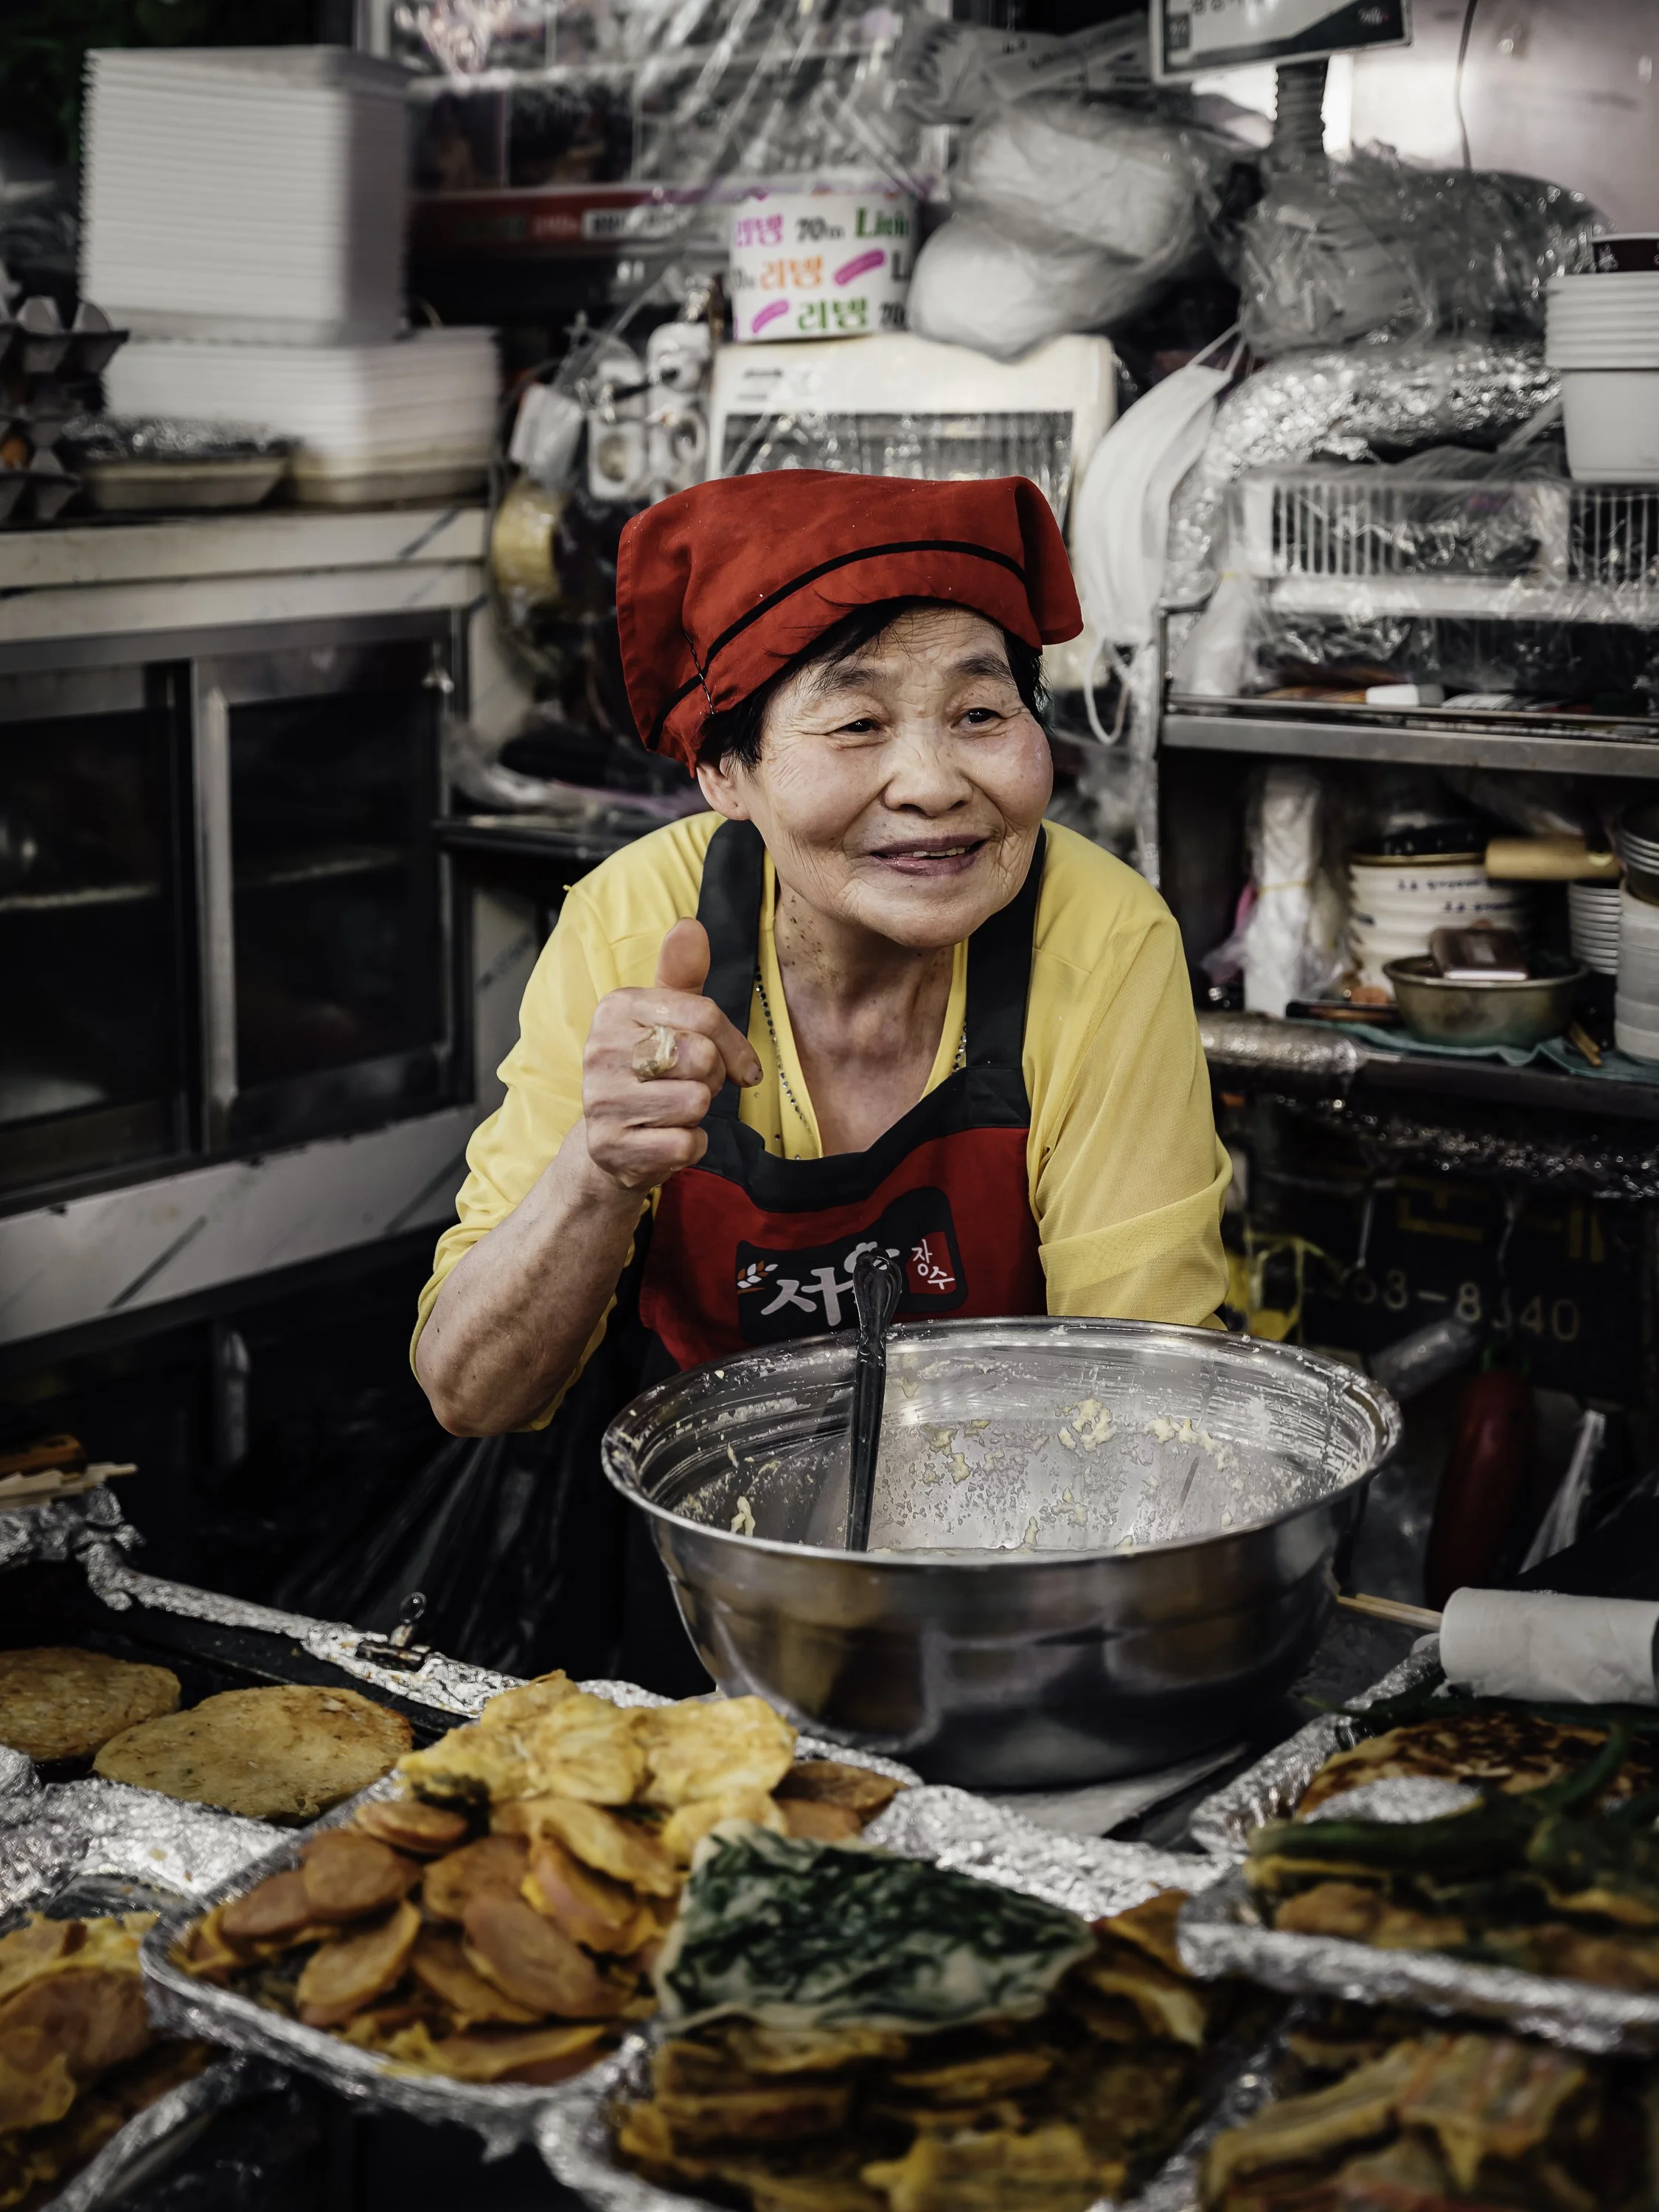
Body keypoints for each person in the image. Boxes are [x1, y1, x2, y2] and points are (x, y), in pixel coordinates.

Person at [414, 470, 1229, 1690]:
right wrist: (598, 1171)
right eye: (855, 725)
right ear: (726, 774)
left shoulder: (1102, 939)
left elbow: (1144, 1397)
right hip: (707, 1593)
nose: (933, 783)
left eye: (978, 713)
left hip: (1017, 1580)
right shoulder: (639, 921)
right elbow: (470, 1390)